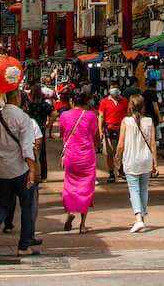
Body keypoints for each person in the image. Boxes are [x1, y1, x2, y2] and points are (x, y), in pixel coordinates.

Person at [0, 90, 39, 260]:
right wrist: (33, 170)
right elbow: (27, 147)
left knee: (3, 205)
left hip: (2, 170)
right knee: (27, 207)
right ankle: (24, 246)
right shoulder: (23, 118)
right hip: (21, 169)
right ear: (18, 98)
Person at [115, 92, 158, 232]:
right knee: (144, 189)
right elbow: (152, 144)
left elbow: (120, 144)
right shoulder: (149, 121)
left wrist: (117, 158)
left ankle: (138, 218)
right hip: (146, 159)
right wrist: (155, 163)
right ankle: (142, 218)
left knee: (134, 189)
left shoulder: (126, 122)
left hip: (131, 160)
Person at [59, 86, 99, 233]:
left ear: (71, 100)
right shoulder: (91, 116)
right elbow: (94, 133)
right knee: (86, 189)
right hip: (87, 157)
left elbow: (62, 132)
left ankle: (70, 212)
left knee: (70, 186)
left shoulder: (64, 116)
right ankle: (82, 226)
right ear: (87, 100)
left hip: (71, 156)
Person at [99, 87, 128, 182]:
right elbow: (101, 116)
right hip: (109, 128)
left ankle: (121, 170)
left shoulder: (124, 101)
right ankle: (111, 173)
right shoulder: (104, 102)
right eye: (112, 89)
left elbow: (128, 114)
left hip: (122, 128)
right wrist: (100, 130)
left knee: (122, 151)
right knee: (110, 152)